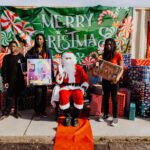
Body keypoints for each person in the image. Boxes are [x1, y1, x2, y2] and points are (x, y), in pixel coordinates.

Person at [55, 52, 89, 126]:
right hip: (65, 86)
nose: (68, 60)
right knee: (63, 95)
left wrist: (83, 87)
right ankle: (68, 116)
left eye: (70, 58)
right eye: (66, 58)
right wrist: (60, 73)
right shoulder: (61, 68)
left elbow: (85, 79)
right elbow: (58, 80)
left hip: (76, 86)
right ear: (63, 59)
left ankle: (75, 117)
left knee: (79, 96)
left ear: (73, 59)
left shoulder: (79, 68)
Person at [26, 33, 54, 117]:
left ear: (43, 40)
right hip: (36, 74)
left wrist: (52, 76)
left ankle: (43, 110)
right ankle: (37, 111)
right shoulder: (32, 50)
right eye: (37, 39)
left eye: (40, 39)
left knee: (44, 92)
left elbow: (50, 62)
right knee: (38, 92)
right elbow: (27, 57)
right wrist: (36, 58)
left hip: (45, 74)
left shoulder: (47, 50)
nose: (39, 40)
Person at [100, 38, 123, 126]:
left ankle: (115, 118)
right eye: (107, 44)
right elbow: (99, 67)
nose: (108, 46)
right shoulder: (104, 55)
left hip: (114, 81)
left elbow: (121, 69)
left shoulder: (118, 55)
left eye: (110, 44)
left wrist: (117, 78)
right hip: (105, 80)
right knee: (105, 97)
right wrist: (97, 62)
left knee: (114, 99)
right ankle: (105, 115)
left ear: (113, 45)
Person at [1, 41, 26, 119]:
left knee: (18, 97)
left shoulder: (21, 57)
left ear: (17, 47)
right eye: (11, 46)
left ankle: (16, 112)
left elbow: (26, 67)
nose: (12, 48)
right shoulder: (6, 57)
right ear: (9, 47)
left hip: (19, 80)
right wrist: (5, 81)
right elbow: (4, 70)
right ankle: (6, 112)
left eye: (14, 46)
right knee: (9, 96)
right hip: (10, 80)